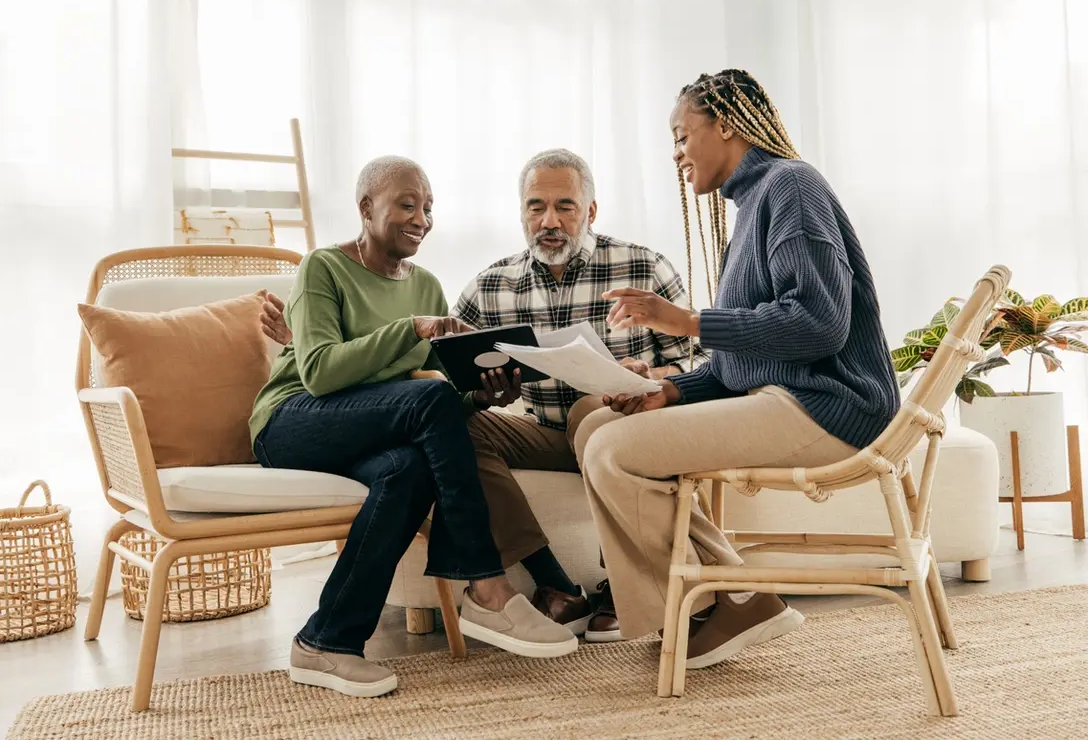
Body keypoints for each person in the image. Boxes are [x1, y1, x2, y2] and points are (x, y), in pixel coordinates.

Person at [573, 69, 900, 669]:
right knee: (594, 427)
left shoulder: (791, 187)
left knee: (611, 451)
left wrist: (689, 322)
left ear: (725, 124)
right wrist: (670, 390)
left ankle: (707, 603)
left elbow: (820, 323)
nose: (675, 155)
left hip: (833, 404)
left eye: (681, 135)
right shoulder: (751, 206)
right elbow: (735, 366)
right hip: (787, 398)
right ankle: (734, 597)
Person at [250, 155, 577, 699]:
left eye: (428, 207)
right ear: (365, 208)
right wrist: (408, 330)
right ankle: (486, 586)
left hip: (368, 429)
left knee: (409, 468)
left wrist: (481, 394)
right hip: (292, 419)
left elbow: (438, 406)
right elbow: (321, 372)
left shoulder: (425, 284)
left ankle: (326, 640)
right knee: (424, 403)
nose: (421, 217)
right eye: (407, 204)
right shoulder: (323, 268)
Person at [453, 148, 698, 641]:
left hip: (626, 431)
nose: (549, 220)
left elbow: (702, 362)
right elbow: (454, 375)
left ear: (590, 211)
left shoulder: (643, 267)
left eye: (564, 206)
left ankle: (619, 586)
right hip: (544, 435)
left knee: (592, 407)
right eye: (535, 206)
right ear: (521, 211)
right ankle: (557, 584)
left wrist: (648, 373)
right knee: (448, 425)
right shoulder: (489, 287)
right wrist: (484, 397)